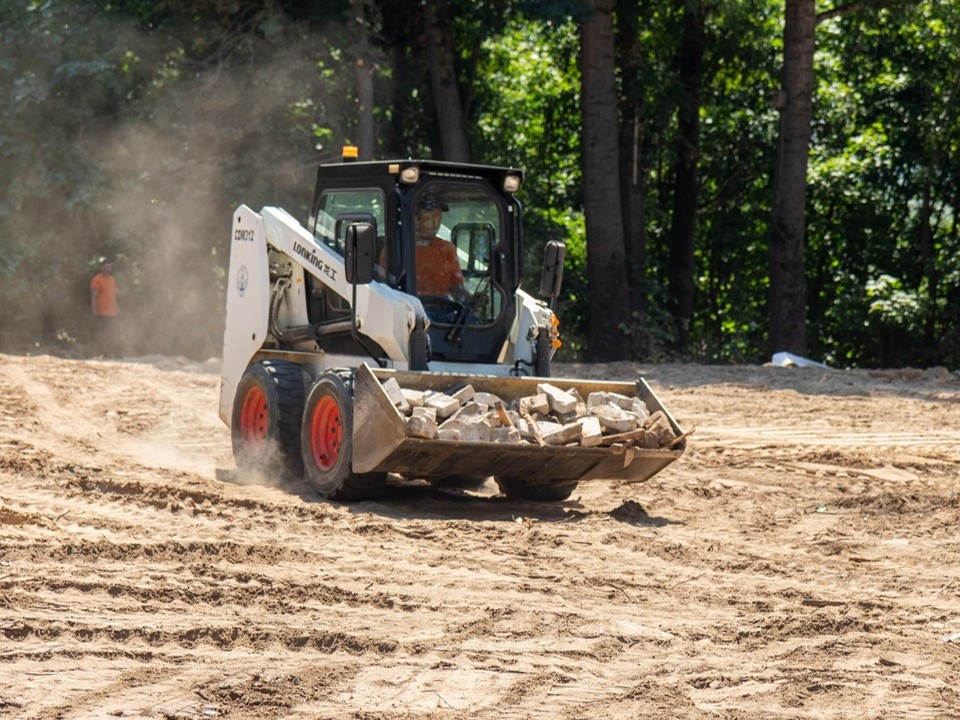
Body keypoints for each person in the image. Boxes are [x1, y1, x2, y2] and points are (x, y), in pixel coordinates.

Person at [413, 197, 473, 305]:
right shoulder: (399, 248)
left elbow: (457, 290)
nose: (435, 225)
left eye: (438, 219)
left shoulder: (446, 249)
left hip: (441, 314)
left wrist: (472, 301)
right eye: (429, 219)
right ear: (416, 220)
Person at [90, 257, 120, 356]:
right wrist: (94, 310)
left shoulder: (112, 280)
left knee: (113, 333)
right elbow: (94, 296)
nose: (108, 269)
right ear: (102, 267)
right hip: (102, 312)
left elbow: (114, 296)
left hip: (112, 312)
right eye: (106, 267)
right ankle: (100, 353)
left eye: (110, 267)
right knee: (102, 333)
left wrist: (117, 308)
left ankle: (113, 352)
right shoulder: (97, 279)